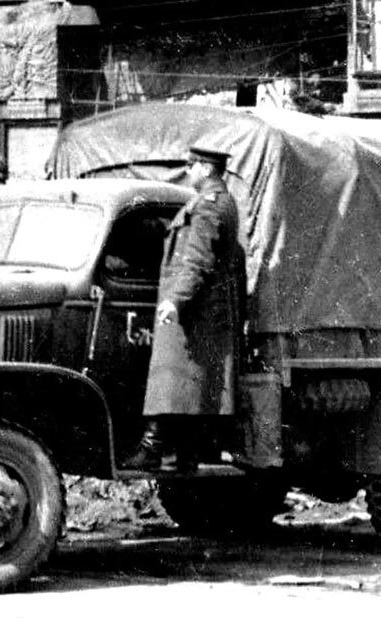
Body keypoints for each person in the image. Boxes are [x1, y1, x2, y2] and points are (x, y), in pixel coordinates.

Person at [122, 145, 243, 470]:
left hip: (194, 312)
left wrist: (176, 300)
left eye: (192, 165)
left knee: (170, 379)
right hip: (202, 310)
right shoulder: (218, 202)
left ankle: (152, 449)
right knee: (188, 386)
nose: (188, 171)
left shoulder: (208, 206)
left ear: (206, 168)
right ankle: (185, 455)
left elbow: (197, 261)